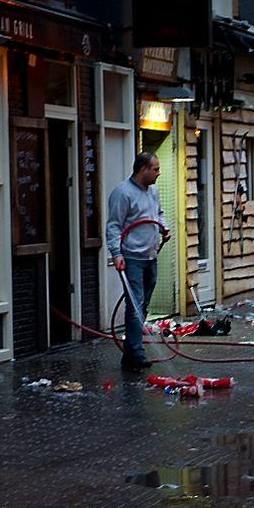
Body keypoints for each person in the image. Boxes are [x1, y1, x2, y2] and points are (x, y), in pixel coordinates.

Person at [106, 153, 170, 372]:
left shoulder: (153, 191)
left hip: (151, 256)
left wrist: (164, 226)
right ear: (143, 169)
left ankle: (130, 351)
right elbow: (114, 226)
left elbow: (159, 213)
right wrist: (117, 254)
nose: (158, 173)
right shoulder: (122, 194)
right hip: (132, 257)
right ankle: (137, 352)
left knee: (141, 306)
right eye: (155, 169)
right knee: (135, 305)